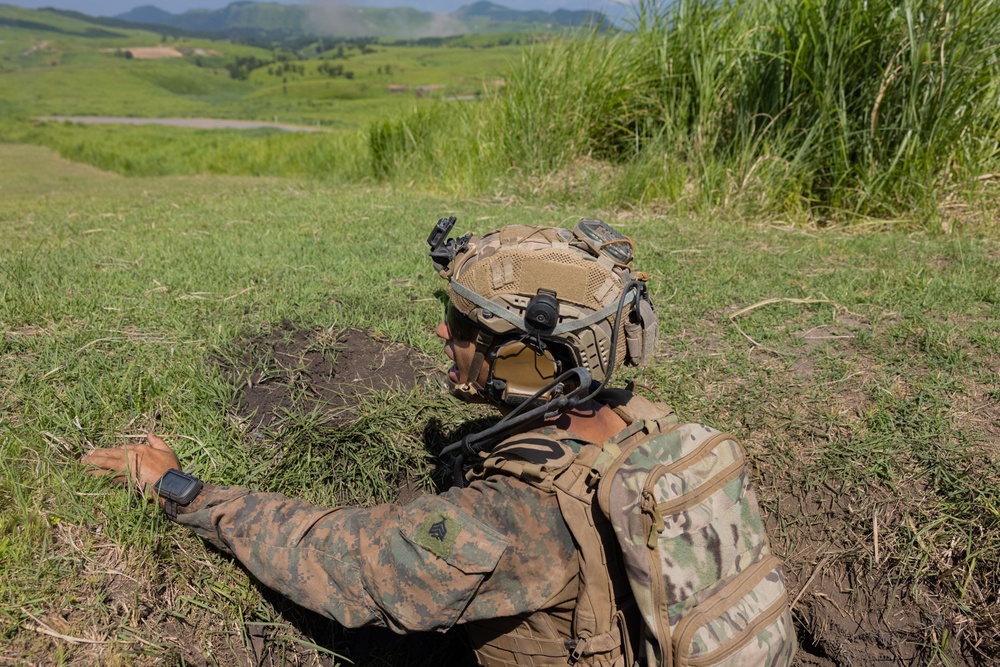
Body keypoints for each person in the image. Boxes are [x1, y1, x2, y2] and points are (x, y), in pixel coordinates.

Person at [83, 219, 795, 667]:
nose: (443, 338)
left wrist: (185, 490)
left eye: (462, 329)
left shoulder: (519, 515)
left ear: (526, 356)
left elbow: (337, 562)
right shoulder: (646, 420)